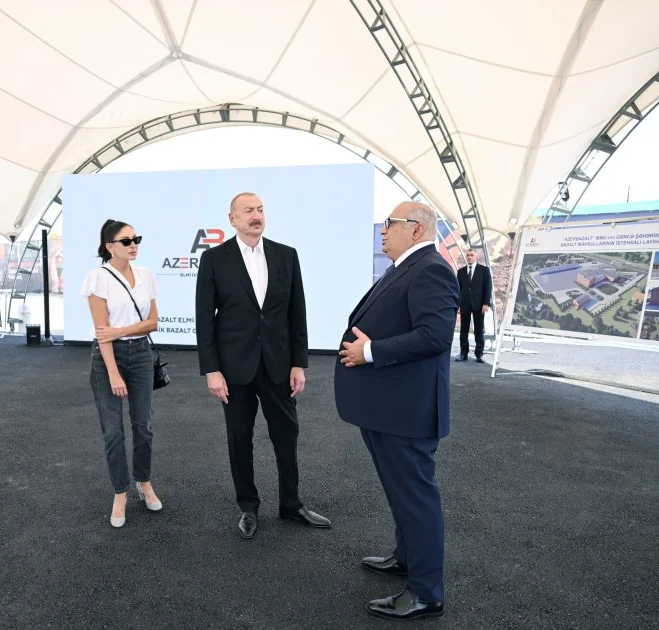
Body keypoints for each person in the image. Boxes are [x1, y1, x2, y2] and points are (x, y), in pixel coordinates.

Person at [334, 202, 458, 621]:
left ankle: (426, 593)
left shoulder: (431, 269)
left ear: (417, 229)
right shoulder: (406, 267)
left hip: (406, 412)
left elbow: (435, 336)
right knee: (401, 493)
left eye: (390, 224)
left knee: (416, 498)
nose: (382, 230)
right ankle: (407, 558)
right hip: (390, 408)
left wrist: (370, 351)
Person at [195, 192, 331, 539]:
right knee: (239, 439)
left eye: (259, 210)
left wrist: (299, 363)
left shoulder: (286, 255)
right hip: (233, 368)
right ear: (232, 219)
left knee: (286, 435)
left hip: (278, 365)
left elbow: (297, 313)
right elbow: (204, 319)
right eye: (248, 211)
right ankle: (248, 507)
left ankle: (291, 504)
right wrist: (212, 370)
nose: (256, 216)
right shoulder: (214, 259)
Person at [81, 219, 163, 528]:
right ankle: (120, 493)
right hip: (107, 359)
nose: (133, 245)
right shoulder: (97, 278)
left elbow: (153, 323)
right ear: (109, 246)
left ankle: (144, 482)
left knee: (144, 425)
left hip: (140, 354)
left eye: (136, 239)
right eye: (126, 241)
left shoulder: (145, 275)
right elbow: (102, 334)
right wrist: (114, 374)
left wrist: (120, 330)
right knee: (113, 431)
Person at [456, 248, 492, 363]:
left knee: (478, 330)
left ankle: (479, 354)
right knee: (463, 330)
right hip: (465, 304)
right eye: (468, 255)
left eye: (471, 255)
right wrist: (458, 305)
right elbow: (458, 289)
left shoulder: (484, 270)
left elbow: (488, 288)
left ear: (476, 256)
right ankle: (463, 353)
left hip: (479, 304)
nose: (469, 257)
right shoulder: (461, 272)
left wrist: (486, 303)